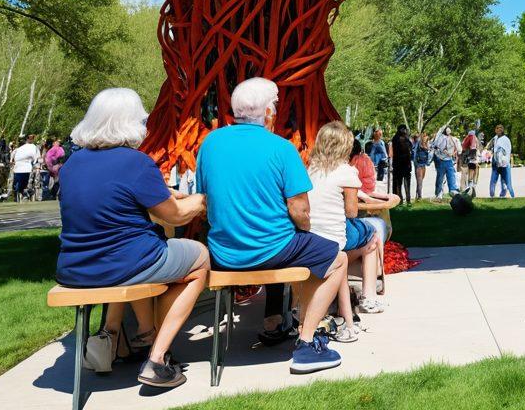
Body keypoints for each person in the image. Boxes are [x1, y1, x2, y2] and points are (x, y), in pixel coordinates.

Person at [57, 89, 208, 389]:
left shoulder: (72, 165)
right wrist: (200, 199)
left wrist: (165, 193)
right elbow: (174, 215)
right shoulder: (135, 162)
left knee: (151, 252)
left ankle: (137, 335)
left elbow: (117, 195)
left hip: (75, 268)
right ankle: (157, 358)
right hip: (123, 264)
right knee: (199, 258)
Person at [196, 78, 347, 374]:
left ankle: (283, 321)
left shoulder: (210, 143)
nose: (276, 110)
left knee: (303, 249)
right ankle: (306, 343)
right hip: (273, 249)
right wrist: (303, 229)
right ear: (267, 112)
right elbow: (300, 210)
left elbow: (204, 200)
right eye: (275, 105)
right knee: (336, 258)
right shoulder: (281, 148)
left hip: (223, 254)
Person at [306, 122, 382, 341]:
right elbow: (351, 212)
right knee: (373, 234)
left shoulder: (310, 169)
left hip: (310, 236)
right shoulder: (347, 172)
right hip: (335, 239)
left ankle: (359, 295)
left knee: (364, 236)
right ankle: (369, 294)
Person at [11, 133, 40, 201]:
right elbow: (12, 159)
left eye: (32, 138)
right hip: (21, 168)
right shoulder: (18, 149)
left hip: (27, 168)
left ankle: (27, 190)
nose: (31, 140)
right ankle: (20, 191)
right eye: (30, 138)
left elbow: (37, 158)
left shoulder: (34, 147)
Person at [390, 124, 414, 206]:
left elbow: (411, 148)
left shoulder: (405, 139)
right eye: (404, 129)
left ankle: (407, 200)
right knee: (398, 184)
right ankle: (399, 200)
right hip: (399, 164)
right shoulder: (397, 139)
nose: (405, 131)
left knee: (405, 183)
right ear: (401, 130)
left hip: (405, 164)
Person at [432, 126, 459, 197]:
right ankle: (438, 193)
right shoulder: (441, 137)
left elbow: (457, 148)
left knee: (451, 175)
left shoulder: (452, 138)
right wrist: (447, 152)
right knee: (440, 177)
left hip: (449, 160)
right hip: (441, 160)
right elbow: (438, 146)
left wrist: (454, 152)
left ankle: (453, 190)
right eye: (447, 130)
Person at [489, 124, 514, 198]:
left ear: (503, 130)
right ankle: (492, 195)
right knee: (493, 181)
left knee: (507, 182)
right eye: (497, 128)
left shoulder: (506, 139)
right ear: (495, 130)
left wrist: (504, 161)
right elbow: (490, 146)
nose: (499, 130)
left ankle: (511, 195)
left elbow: (507, 151)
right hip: (495, 163)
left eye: (500, 128)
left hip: (504, 164)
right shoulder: (495, 138)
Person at [45, 136, 66, 201]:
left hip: (58, 166)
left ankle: (55, 194)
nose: (58, 142)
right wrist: (52, 165)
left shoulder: (59, 148)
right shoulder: (53, 149)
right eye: (56, 142)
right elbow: (48, 159)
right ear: (53, 143)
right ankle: (54, 194)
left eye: (58, 142)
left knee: (58, 181)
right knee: (58, 181)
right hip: (56, 167)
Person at [413, 131, 431, 200]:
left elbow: (428, 153)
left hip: (424, 164)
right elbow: (414, 154)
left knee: (421, 180)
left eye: (426, 135)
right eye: (424, 135)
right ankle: (419, 196)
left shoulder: (426, 143)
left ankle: (417, 194)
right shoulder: (418, 143)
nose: (425, 137)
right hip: (418, 164)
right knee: (419, 180)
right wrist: (416, 164)